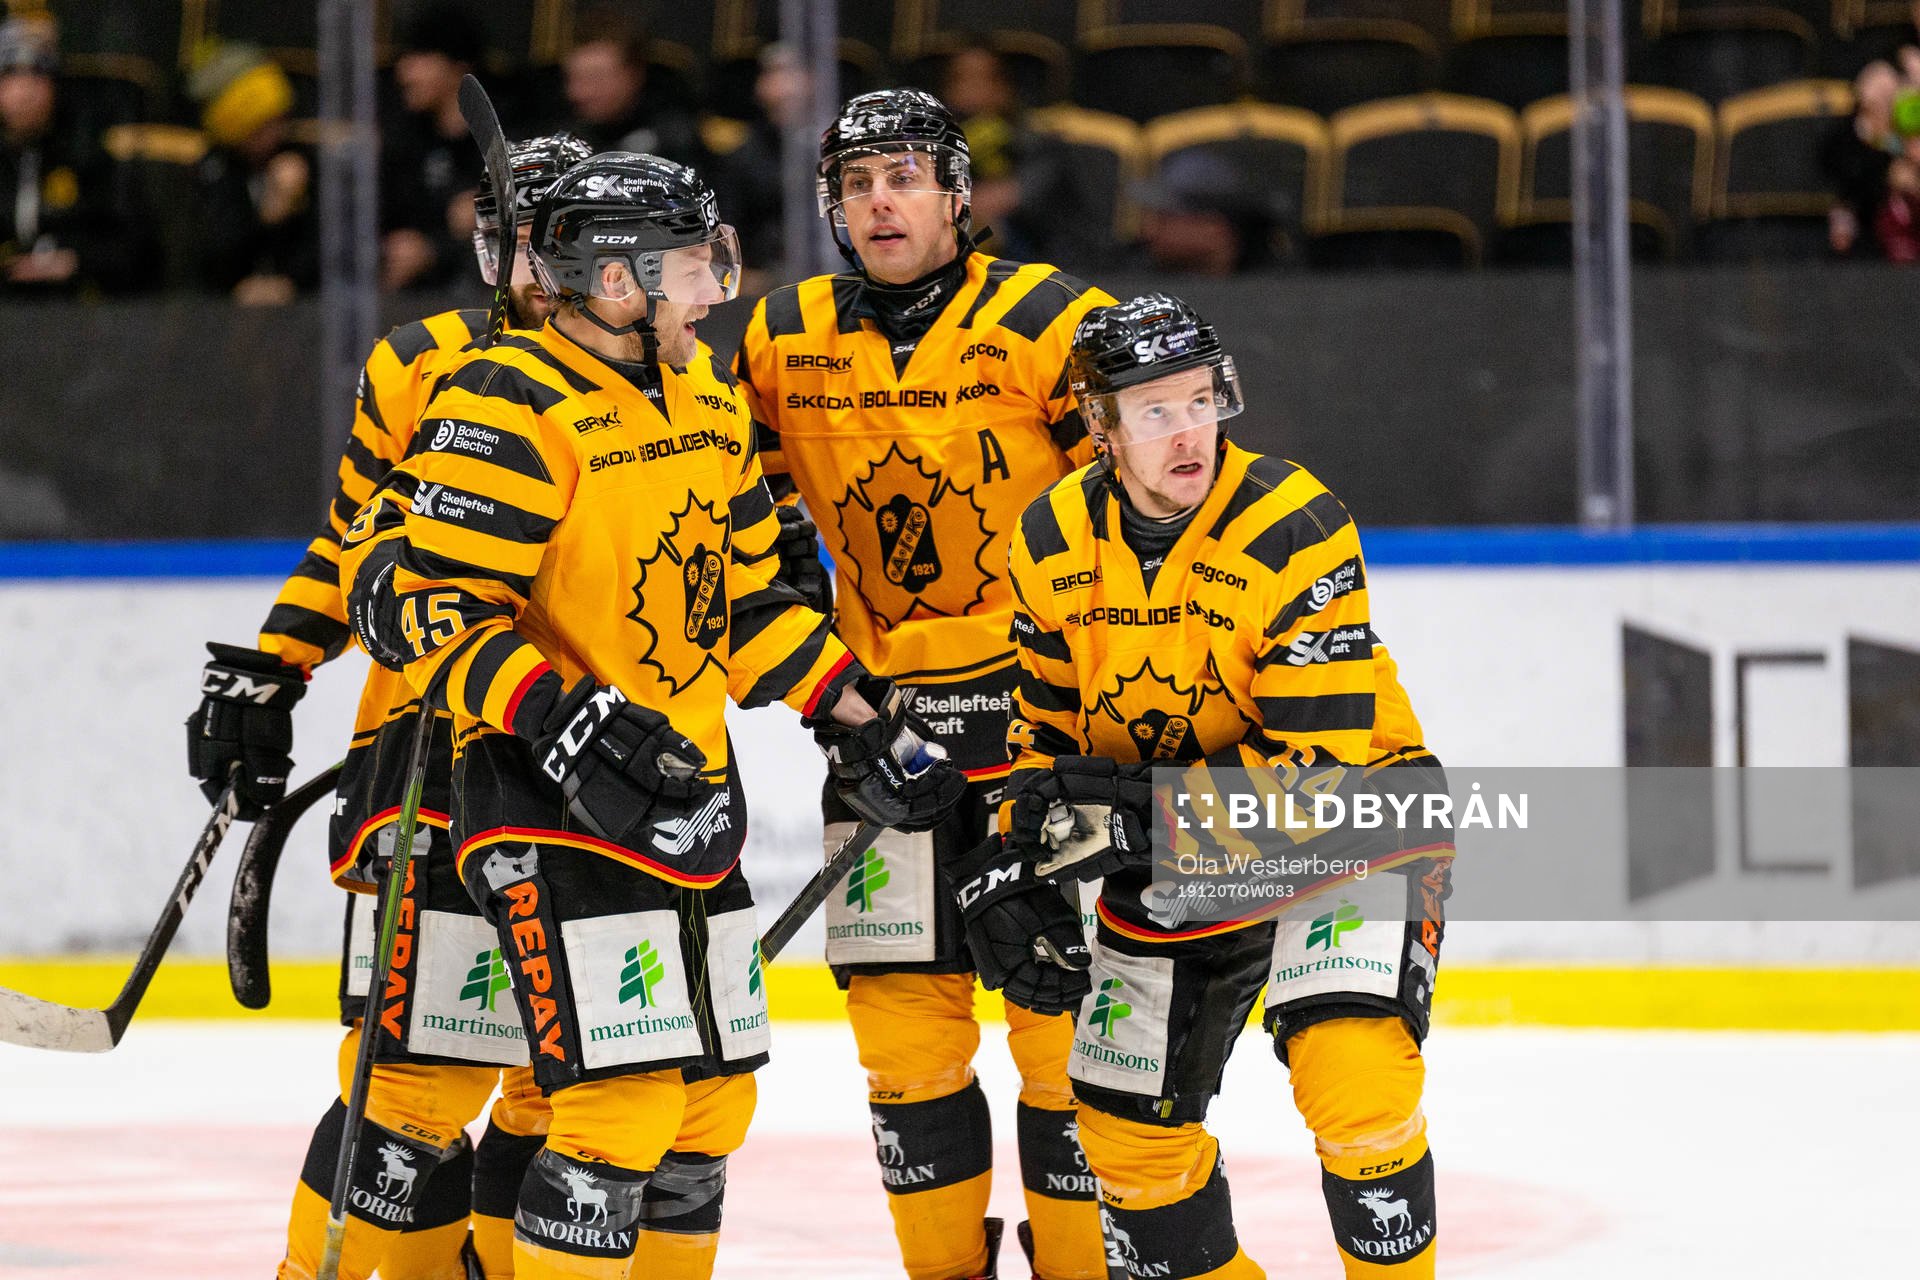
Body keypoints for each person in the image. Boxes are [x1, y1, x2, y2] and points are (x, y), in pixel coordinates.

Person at [338, 149, 965, 1280]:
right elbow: (422, 608)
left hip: (683, 787)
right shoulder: (511, 398)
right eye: (690, 265)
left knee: (710, 1102)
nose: (715, 288)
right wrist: (562, 716)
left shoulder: (706, 402)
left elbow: (744, 602)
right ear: (619, 281)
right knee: (614, 1104)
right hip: (544, 798)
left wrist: (857, 717)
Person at [954, 293, 1452, 1278]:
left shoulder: (1291, 521)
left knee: (1353, 1077)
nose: (1190, 430)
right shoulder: (1048, 537)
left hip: (1357, 818)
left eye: (1201, 398)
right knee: (1127, 1144)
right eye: (1153, 410)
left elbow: (1318, 767)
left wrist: (1126, 810)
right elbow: (1042, 736)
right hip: (1176, 844)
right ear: (1098, 428)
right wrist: (1016, 854)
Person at [186, 134, 594, 1280]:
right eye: (515, 231)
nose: (531, 257)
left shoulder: (665, 370)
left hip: (602, 757)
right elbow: (354, 536)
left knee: (574, 1078)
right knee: (418, 1073)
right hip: (438, 747)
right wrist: (276, 666)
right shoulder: (421, 364)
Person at [731, 88, 1115, 1280]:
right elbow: (711, 490)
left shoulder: (1054, 318)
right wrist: (800, 629)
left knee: (1060, 1024)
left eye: (904, 175)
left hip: (1041, 728)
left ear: (959, 192)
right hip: (878, 726)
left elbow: (1143, 512)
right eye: (855, 182)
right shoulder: (778, 335)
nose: (880, 200)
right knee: (904, 1039)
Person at [0, 16, 140, 294]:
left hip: (72, 310)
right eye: (11, 75)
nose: (25, 92)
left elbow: (134, 249)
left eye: (38, 75)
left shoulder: (88, 153)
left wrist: (76, 261)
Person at [186, 41, 316, 303]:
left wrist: (292, 282)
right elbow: (205, 257)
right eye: (260, 127)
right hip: (221, 312)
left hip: (303, 309)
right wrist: (266, 218)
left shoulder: (302, 160)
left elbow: (333, 249)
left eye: (277, 121)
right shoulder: (212, 169)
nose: (273, 134)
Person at [380, 6, 487, 291]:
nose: (404, 73)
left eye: (419, 59)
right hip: (415, 298)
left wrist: (434, 251)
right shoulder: (407, 140)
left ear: (457, 65)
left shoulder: (504, 135)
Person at [559, 7, 704, 168]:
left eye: (595, 78)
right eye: (573, 79)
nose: (578, 93)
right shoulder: (564, 141)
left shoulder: (678, 143)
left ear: (634, 74)